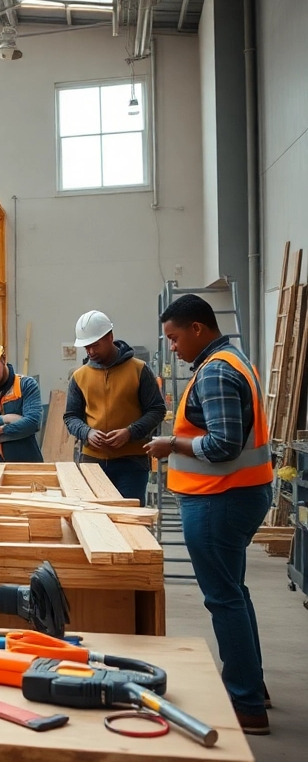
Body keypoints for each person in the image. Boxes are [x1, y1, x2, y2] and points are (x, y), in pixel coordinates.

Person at [144, 294, 272, 734]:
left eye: (175, 338)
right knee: (233, 592)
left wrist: (171, 444)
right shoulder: (231, 360)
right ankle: (251, 685)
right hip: (236, 494)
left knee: (223, 598)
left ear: (198, 328)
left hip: (220, 497)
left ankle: (246, 703)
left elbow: (223, 445)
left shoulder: (216, 371)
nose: (173, 347)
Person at [64, 310, 166, 501]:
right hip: (91, 462)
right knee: (93, 519)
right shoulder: (79, 377)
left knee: (129, 521)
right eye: (86, 347)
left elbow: (157, 409)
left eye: (95, 345)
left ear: (110, 337)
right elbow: (71, 417)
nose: (91, 351)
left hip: (132, 463)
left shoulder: (139, 370)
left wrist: (130, 432)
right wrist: (87, 433)